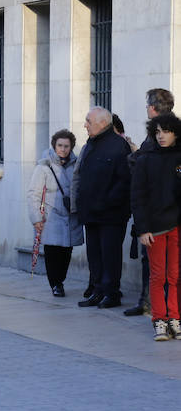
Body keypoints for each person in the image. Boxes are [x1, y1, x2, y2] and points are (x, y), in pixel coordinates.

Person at [72, 106, 132, 309]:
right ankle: (97, 291)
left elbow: (124, 182)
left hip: (111, 215)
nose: (85, 125)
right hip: (91, 214)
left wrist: (106, 203)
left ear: (102, 123)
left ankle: (111, 293)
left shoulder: (118, 146)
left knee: (110, 255)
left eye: (88, 121)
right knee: (95, 256)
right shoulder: (90, 144)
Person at [131, 113, 181, 340]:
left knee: (175, 275)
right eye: (157, 132)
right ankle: (159, 319)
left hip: (177, 226)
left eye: (166, 131)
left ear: (175, 133)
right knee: (158, 275)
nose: (161, 136)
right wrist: (142, 229)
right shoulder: (145, 160)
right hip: (155, 228)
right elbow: (138, 197)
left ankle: (175, 318)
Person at [125, 88, 174, 316]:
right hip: (160, 213)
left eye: (147, 105)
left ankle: (159, 309)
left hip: (161, 214)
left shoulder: (161, 134)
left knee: (160, 267)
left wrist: (133, 155)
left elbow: (145, 166)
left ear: (153, 108)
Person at [27, 130, 83, 297]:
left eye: (66, 146)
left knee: (66, 252)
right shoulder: (44, 166)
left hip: (71, 215)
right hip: (51, 216)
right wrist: (36, 218)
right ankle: (55, 284)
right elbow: (33, 194)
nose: (63, 149)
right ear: (54, 146)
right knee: (52, 253)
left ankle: (61, 280)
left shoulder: (76, 164)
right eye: (60, 145)